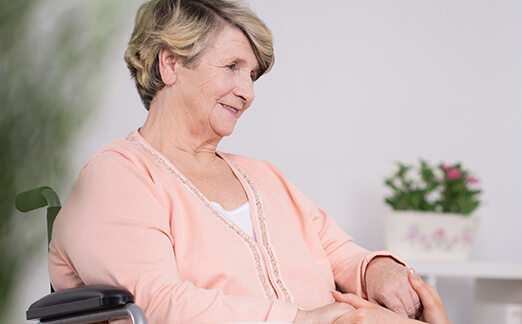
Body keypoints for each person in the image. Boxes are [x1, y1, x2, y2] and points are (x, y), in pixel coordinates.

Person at [47, 0, 421, 323]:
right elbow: (159, 305)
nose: (248, 92)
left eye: (253, 75)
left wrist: (376, 269)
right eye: (232, 67)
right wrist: (300, 319)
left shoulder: (263, 176)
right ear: (171, 64)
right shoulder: (117, 175)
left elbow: (337, 250)